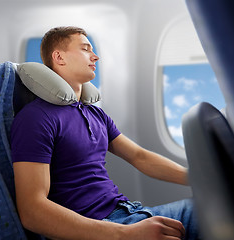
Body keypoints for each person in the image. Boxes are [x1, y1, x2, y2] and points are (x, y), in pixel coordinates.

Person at [11, 26, 199, 240]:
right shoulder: (36, 118)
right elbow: (32, 211)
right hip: (101, 226)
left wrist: (197, 178)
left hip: (128, 212)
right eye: (85, 49)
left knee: (220, 205)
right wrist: (127, 234)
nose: (95, 56)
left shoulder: (95, 114)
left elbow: (140, 157)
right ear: (59, 57)